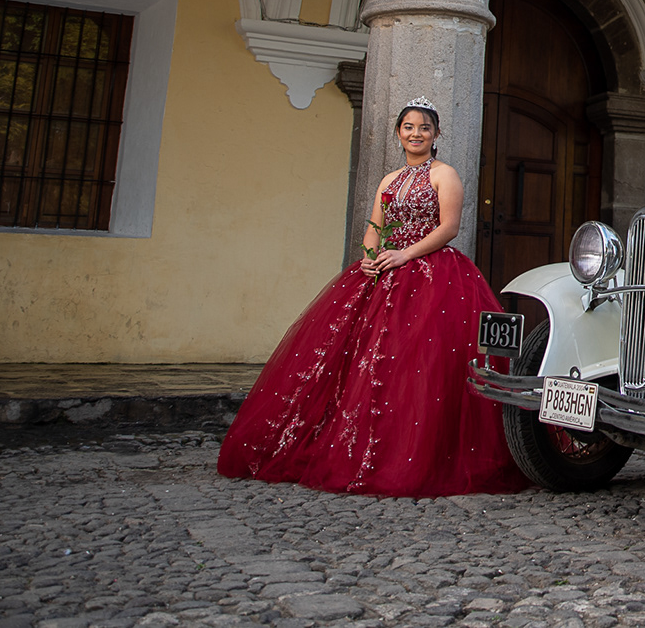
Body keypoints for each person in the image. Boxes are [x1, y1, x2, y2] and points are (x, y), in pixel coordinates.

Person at [218, 97, 527, 497]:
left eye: (424, 128)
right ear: (399, 133)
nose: (416, 134)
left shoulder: (444, 174)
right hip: (383, 271)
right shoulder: (389, 180)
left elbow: (449, 227)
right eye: (408, 127)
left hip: (432, 273)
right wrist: (368, 257)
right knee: (358, 359)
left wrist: (405, 254)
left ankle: (412, 454)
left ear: (436, 135)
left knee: (418, 361)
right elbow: (374, 226)